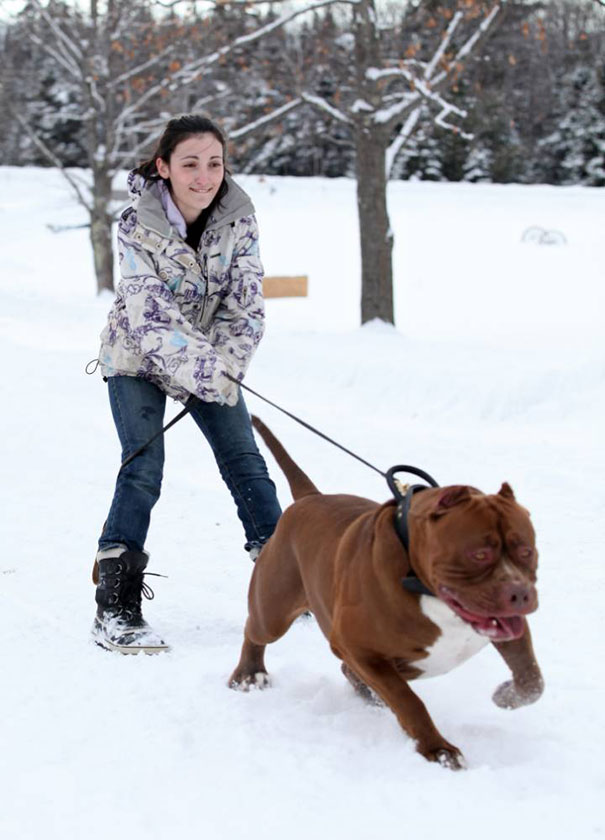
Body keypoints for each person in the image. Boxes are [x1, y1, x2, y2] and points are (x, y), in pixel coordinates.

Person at [91, 114, 282, 655]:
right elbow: (149, 316)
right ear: (164, 167)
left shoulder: (240, 220)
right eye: (190, 164)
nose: (204, 176)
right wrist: (208, 369)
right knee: (144, 465)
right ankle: (116, 605)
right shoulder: (136, 224)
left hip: (212, 359)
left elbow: (246, 304)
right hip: (136, 358)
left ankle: (287, 578)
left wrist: (226, 365)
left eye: (214, 163)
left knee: (245, 459)